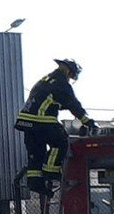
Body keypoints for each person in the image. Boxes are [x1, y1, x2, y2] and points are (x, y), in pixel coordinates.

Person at [14, 58, 96, 197]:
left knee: (36, 153)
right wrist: (88, 122)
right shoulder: (61, 84)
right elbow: (73, 104)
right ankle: (51, 171)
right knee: (61, 142)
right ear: (69, 72)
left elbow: (52, 100)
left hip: (26, 122)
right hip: (41, 119)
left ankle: (35, 182)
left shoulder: (45, 80)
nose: (70, 79)